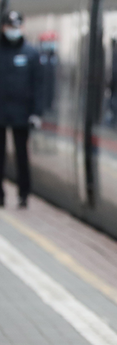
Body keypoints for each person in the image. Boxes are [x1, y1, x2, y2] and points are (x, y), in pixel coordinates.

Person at [0, 11, 43, 208]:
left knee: (21, 155)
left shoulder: (31, 54)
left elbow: (38, 85)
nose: (13, 31)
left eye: (16, 27)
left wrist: (36, 112)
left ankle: (23, 194)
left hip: (21, 114)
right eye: (10, 27)